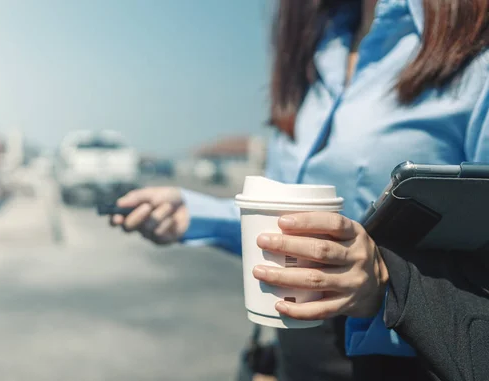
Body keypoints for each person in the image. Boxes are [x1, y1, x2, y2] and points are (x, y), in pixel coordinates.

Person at [111, 0, 489, 380]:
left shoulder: (473, 49)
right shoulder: (319, 46)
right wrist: (192, 213)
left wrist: (386, 280)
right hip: (296, 358)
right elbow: (283, 221)